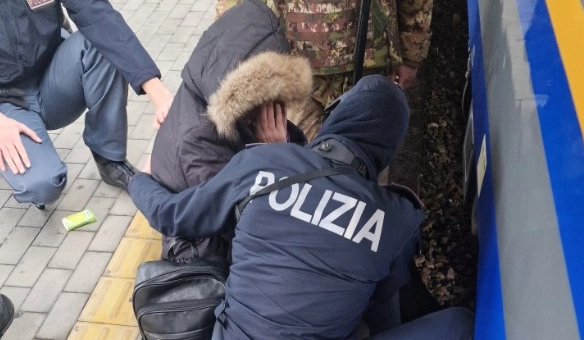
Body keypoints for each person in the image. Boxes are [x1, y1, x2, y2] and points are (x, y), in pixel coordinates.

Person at [129, 75, 474, 339]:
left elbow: (171, 215)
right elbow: (385, 303)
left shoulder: (262, 163)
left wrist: (137, 179)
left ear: (337, 115)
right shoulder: (397, 216)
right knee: (460, 323)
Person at [149, 0, 311, 262]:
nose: (274, 109)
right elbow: (253, 224)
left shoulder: (215, 93)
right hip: (210, 254)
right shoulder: (198, 141)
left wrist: (282, 145)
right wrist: (275, 156)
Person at [0, 0, 173, 208]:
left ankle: (109, 157)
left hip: (53, 73)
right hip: (6, 103)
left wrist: (157, 92)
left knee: (104, 42)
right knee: (43, 186)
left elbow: (96, 13)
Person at [216, 0, 433, 140]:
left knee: (364, 174)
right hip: (295, 77)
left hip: (367, 66)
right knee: (297, 170)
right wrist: (233, 57)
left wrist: (411, 52)